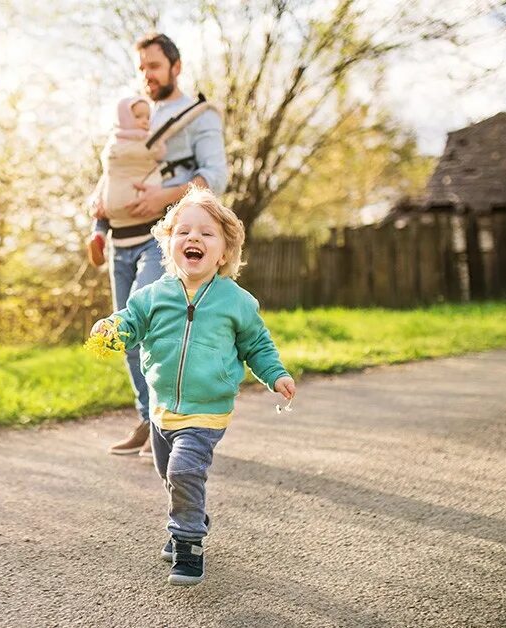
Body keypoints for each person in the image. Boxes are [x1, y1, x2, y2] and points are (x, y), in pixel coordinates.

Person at [89, 187, 296, 586]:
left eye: (206, 233)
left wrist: (276, 375)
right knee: (171, 474)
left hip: (207, 410)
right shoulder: (152, 296)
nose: (194, 239)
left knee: (185, 470)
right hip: (161, 410)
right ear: (169, 246)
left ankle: (187, 543)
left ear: (224, 252)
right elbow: (129, 323)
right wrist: (110, 331)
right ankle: (193, 514)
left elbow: (257, 345)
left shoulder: (236, 301)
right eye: (183, 232)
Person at [94, 32, 229, 457]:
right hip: (121, 238)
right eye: (141, 68)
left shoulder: (198, 116)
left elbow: (214, 177)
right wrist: (97, 205)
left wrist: (161, 196)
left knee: (141, 318)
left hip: (164, 237)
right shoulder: (134, 116)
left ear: (176, 66)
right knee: (125, 330)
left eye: (154, 66)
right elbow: (112, 170)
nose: (147, 76)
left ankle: (167, 424)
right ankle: (148, 419)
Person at [85, 96, 165, 268]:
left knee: (101, 210)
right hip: (134, 205)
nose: (145, 121)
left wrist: (95, 199)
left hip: (113, 204)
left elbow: (108, 175)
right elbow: (160, 153)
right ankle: (98, 235)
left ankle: (98, 235)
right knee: (103, 204)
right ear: (125, 118)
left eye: (147, 117)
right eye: (138, 117)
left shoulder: (112, 143)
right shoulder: (147, 141)